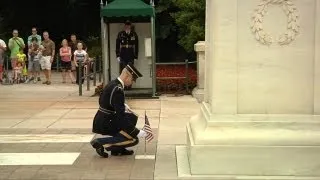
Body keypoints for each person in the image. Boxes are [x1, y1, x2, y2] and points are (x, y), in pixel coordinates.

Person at [90, 64, 146, 158]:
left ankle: (117, 150)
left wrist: (121, 105)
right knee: (133, 139)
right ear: (127, 76)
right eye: (132, 79)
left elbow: (102, 100)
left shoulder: (113, 83)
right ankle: (100, 143)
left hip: (101, 119)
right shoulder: (118, 89)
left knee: (131, 117)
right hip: (106, 122)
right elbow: (121, 116)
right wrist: (135, 131)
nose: (132, 82)